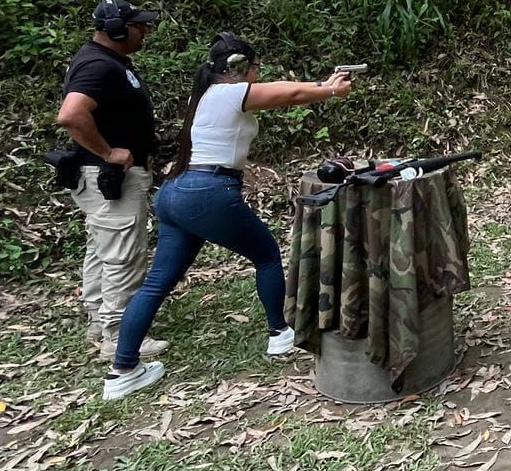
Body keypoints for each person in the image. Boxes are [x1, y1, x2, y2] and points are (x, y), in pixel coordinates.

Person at [103, 33, 354, 400]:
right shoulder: (228, 93)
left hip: (176, 192)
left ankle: (122, 369)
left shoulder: (205, 95)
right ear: (241, 68)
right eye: (255, 67)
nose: (257, 74)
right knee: (266, 254)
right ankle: (279, 333)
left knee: (157, 282)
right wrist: (329, 89)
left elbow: (282, 92)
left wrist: (325, 85)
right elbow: (288, 94)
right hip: (206, 190)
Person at [58, 0, 169, 361]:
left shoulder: (105, 61)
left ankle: (98, 319)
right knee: (123, 255)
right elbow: (71, 115)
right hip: (110, 176)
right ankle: (120, 335)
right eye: (138, 25)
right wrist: (108, 153)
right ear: (117, 30)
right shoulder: (98, 65)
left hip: (104, 178)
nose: (144, 30)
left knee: (102, 248)